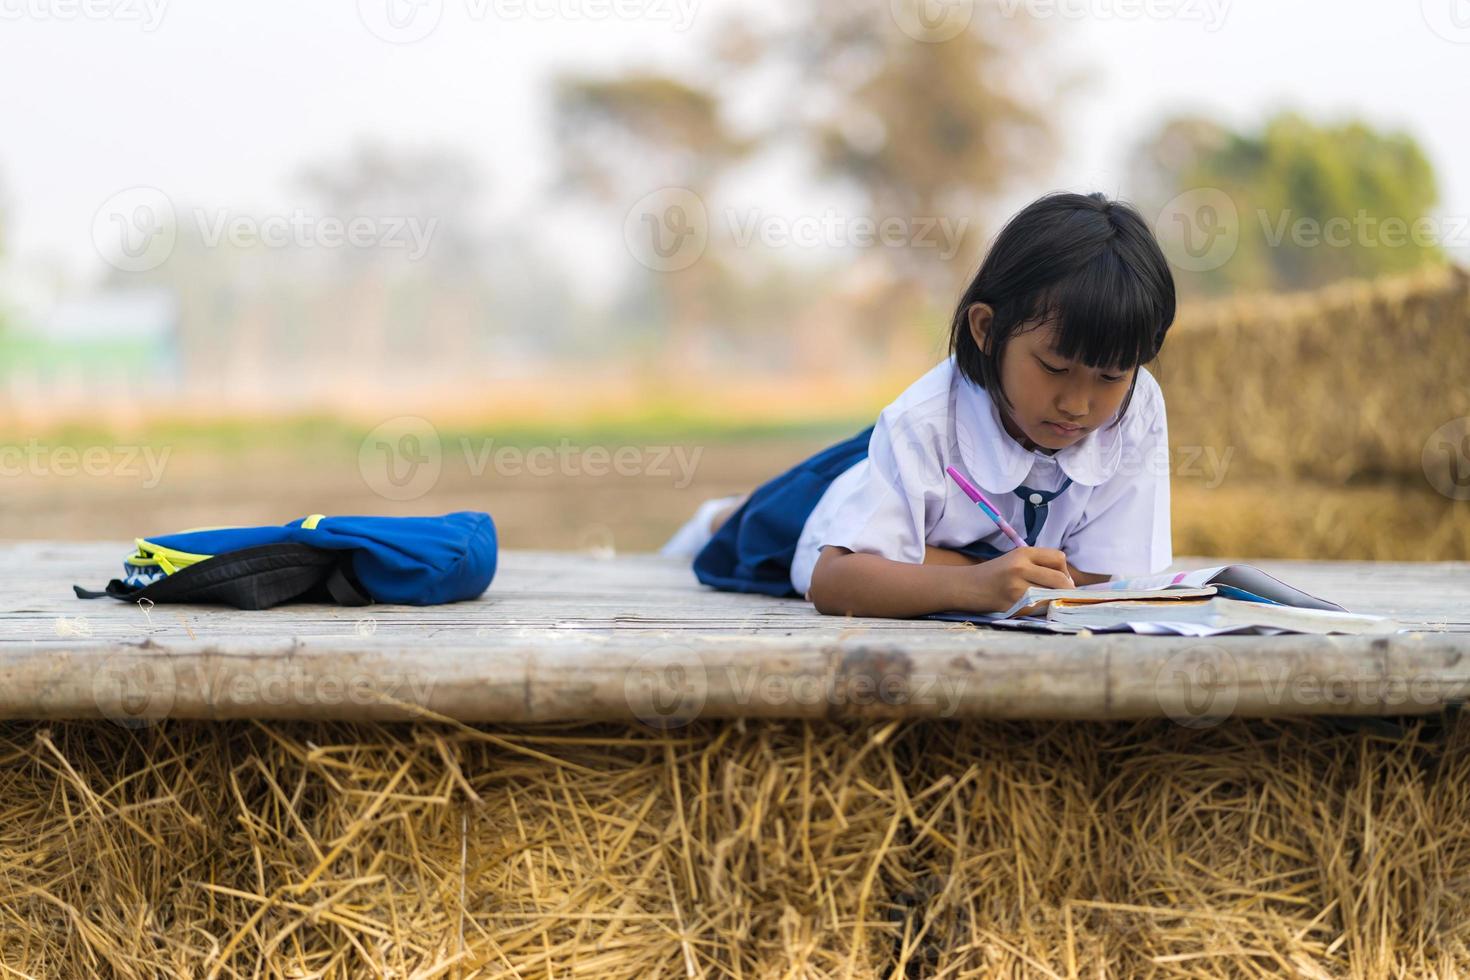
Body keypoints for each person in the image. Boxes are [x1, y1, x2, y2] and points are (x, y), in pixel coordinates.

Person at [661, 191, 1176, 618]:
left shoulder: (1138, 406)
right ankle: (719, 514)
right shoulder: (921, 420)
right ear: (986, 330)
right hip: (837, 505)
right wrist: (976, 583)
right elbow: (835, 579)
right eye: (1054, 369)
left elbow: (1109, 577)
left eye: (1110, 376)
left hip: (914, 499)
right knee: (754, 528)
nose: (1077, 404)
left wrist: (934, 565)